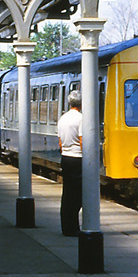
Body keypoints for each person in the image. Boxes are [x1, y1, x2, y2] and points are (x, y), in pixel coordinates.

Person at [58, 90, 83, 237]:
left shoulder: (63, 118)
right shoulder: (81, 119)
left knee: (67, 194)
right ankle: (73, 228)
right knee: (78, 196)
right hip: (78, 158)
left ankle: (66, 227)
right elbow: (82, 141)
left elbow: (60, 143)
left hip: (65, 157)